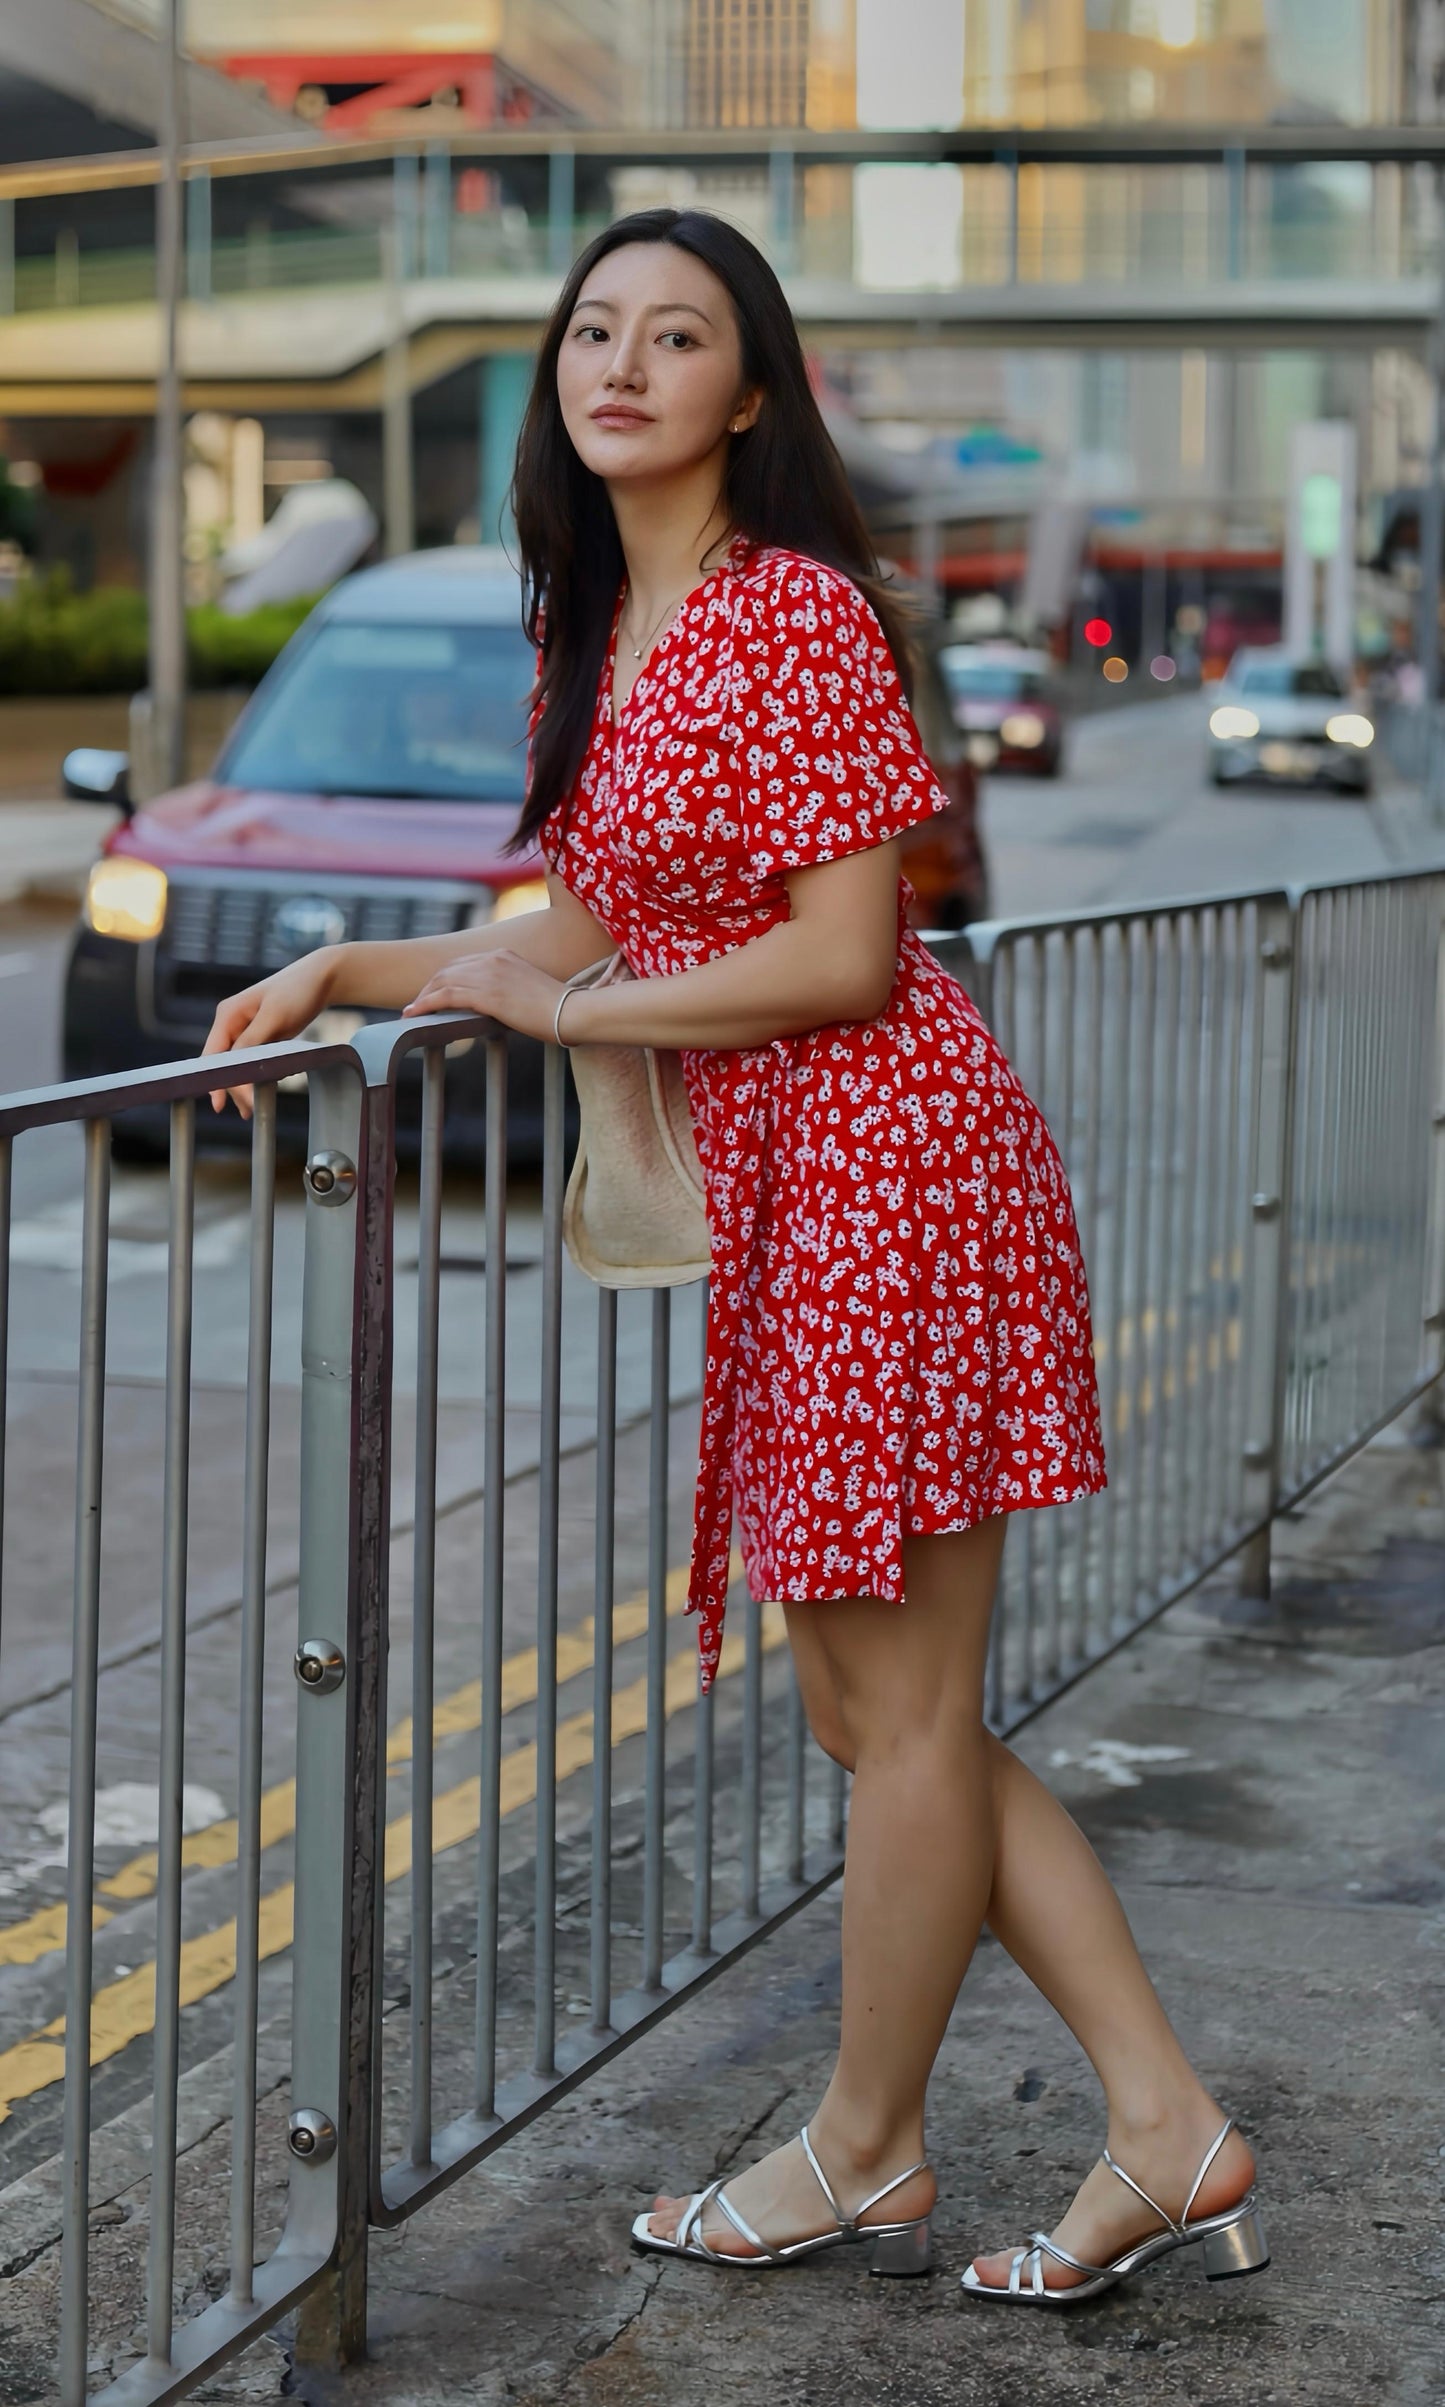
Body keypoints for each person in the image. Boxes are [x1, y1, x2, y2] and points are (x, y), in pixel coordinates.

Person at [203, 208, 1267, 2305]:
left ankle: (864, 2150)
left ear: (750, 390)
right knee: (875, 1714)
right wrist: (351, 965)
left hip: (893, 1168)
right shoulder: (611, 622)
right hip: (803, 1193)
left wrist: (571, 1014)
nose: (621, 364)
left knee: (908, 1711)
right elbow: (585, 922)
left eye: (675, 336)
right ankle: (1162, 2125)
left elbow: (845, 951)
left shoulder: (791, 609)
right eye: (593, 328)